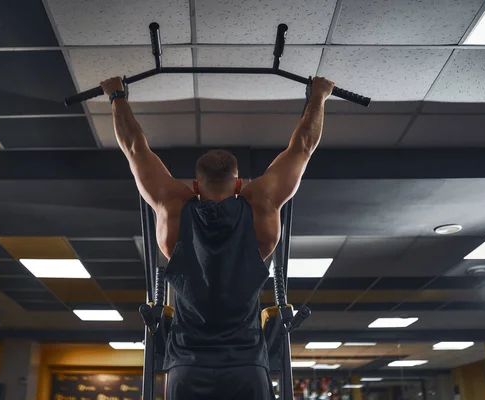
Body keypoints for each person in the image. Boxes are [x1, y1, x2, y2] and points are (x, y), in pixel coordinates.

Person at [100, 76, 335, 400]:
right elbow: (303, 147)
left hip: (187, 366)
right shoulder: (261, 209)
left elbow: (135, 148)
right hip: (247, 366)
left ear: (196, 186)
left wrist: (116, 95)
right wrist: (319, 97)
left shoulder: (174, 210)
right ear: (238, 186)